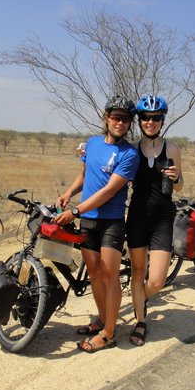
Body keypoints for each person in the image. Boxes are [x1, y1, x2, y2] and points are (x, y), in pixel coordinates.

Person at [54, 95, 140, 353]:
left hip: (111, 222)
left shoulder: (129, 154)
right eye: (116, 117)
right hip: (88, 221)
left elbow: (109, 191)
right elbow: (84, 175)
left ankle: (109, 333)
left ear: (129, 123)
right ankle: (102, 320)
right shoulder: (92, 144)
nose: (120, 123)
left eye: (126, 119)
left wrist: (75, 211)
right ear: (106, 118)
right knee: (94, 274)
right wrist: (69, 193)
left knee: (110, 276)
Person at [126, 95, 183, 346]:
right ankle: (141, 320)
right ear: (139, 120)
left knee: (157, 280)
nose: (151, 122)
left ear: (162, 120)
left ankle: (139, 298)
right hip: (137, 217)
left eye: (156, 117)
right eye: (146, 117)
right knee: (138, 272)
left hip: (162, 218)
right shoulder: (131, 149)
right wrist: (86, 152)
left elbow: (180, 187)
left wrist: (177, 177)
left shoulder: (172, 149)